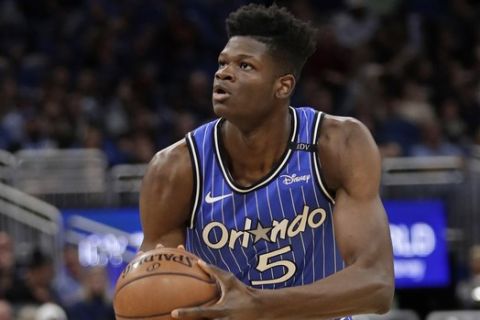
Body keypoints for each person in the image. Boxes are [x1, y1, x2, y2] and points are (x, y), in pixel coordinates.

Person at [139, 4, 394, 320]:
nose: (224, 72)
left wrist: (259, 305)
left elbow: (377, 284)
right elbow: (153, 292)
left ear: (283, 86)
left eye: (245, 66)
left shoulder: (337, 143)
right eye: (222, 63)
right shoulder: (175, 169)